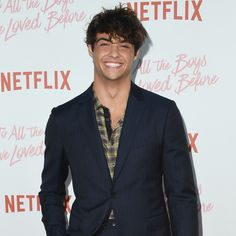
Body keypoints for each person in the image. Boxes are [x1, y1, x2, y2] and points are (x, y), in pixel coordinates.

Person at [39, 4, 199, 236]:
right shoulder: (64, 118)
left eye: (124, 45)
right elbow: (50, 191)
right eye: (105, 44)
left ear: (135, 54)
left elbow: (181, 194)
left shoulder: (163, 113)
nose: (114, 53)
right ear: (90, 49)